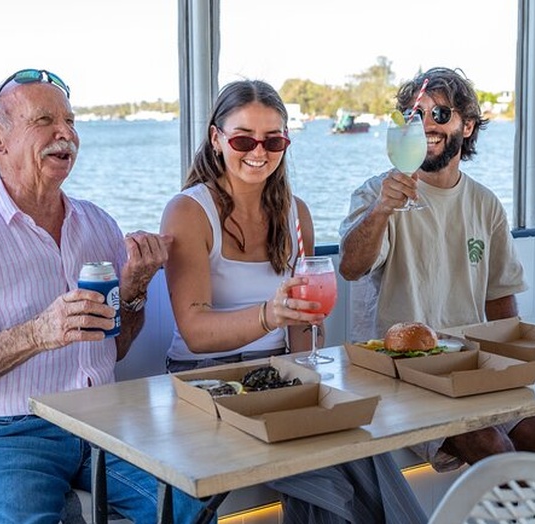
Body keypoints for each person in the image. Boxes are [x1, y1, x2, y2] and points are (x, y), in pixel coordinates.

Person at [0, 68, 211, 523]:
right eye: (44, 121)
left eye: (70, 121)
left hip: (99, 424)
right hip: (1, 436)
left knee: (191, 507)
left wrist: (134, 290)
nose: (65, 133)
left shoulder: (98, 224)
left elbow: (116, 347)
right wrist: (37, 333)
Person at [160, 79, 427, 523]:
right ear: (216, 139)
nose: (258, 151)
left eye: (274, 139)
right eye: (243, 138)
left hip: (279, 376)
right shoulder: (189, 211)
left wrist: (311, 375)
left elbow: (302, 327)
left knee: (364, 447)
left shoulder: (295, 214)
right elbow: (195, 331)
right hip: (207, 384)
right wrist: (270, 315)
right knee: (327, 484)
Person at [338, 67, 535, 472]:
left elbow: (501, 300)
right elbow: (350, 267)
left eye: (441, 114)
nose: (427, 125)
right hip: (400, 375)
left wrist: (513, 378)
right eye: (417, 115)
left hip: (469, 369)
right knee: (495, 450)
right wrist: (381, 210)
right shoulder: (377, 194)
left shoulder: (485, 204)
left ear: (467, 126)